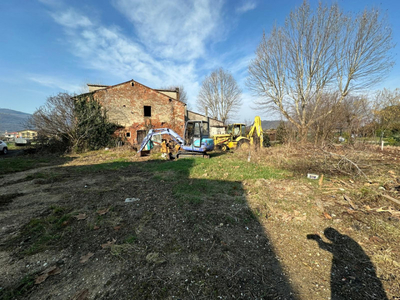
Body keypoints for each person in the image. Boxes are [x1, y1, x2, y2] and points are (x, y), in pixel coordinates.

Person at [307, 228, 388, 300]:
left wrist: (318, 239)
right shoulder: (346, 240)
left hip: (350, 269)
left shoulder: (340, 245)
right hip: (356, 268)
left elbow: (325, 247)